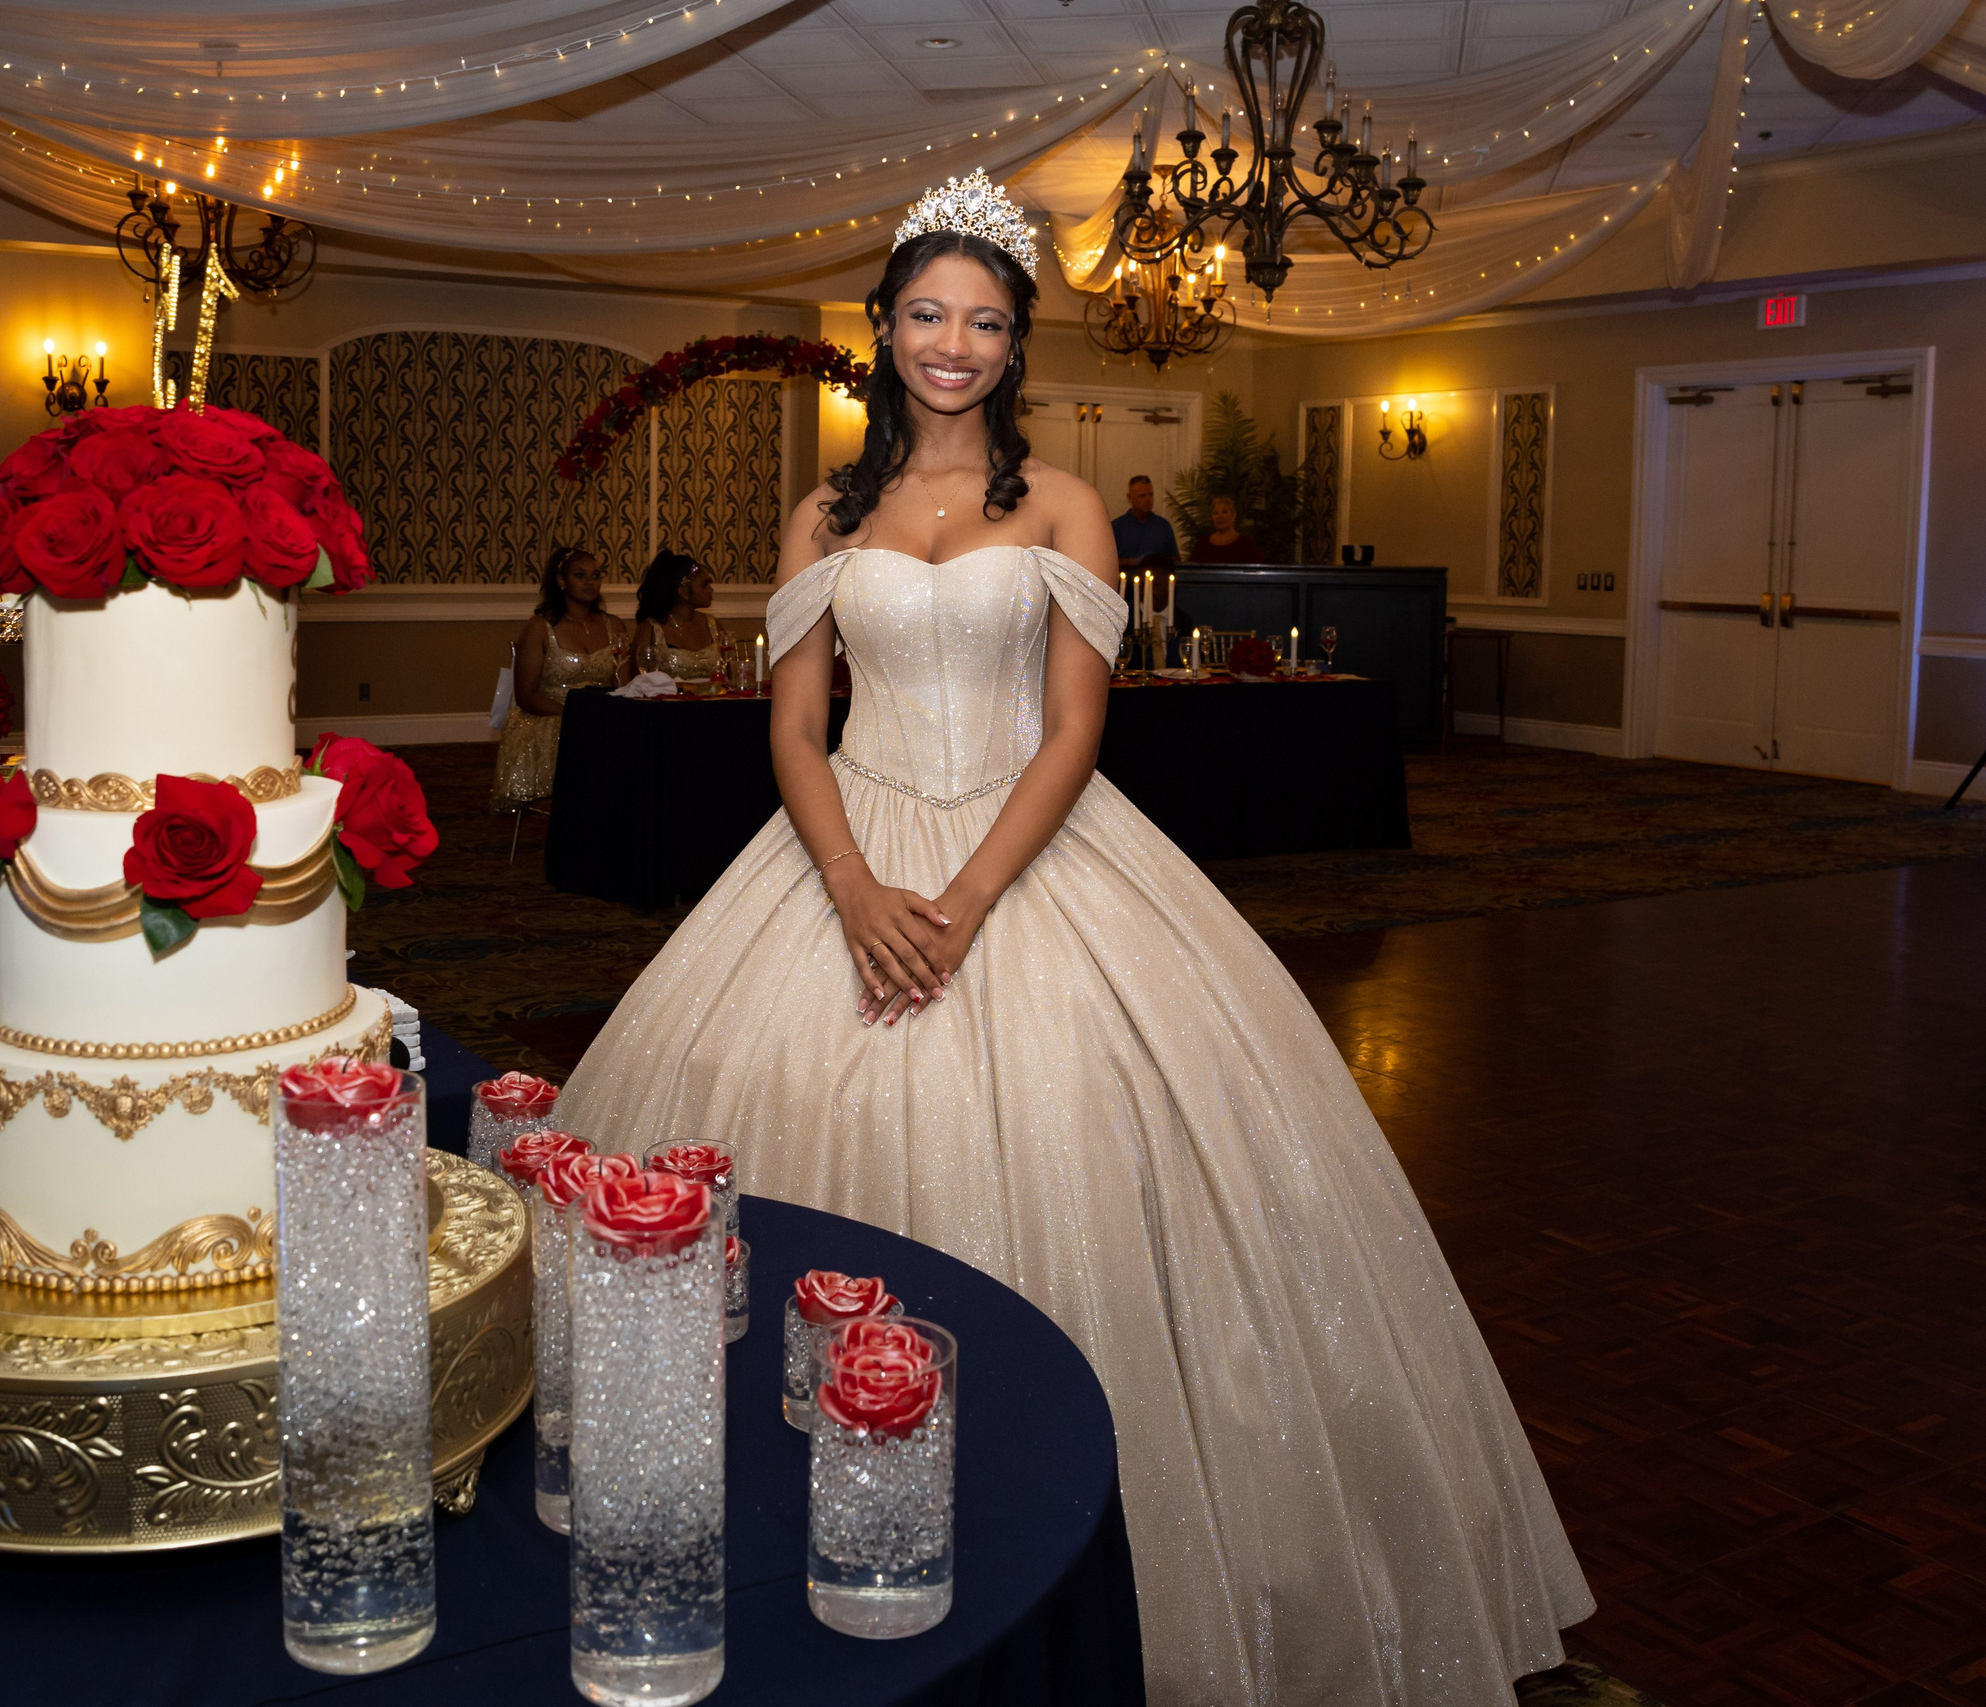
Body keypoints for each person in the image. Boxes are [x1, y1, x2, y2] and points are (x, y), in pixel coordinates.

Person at [552, 174, 1589, 1704]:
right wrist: (848, 884)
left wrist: (961, 901)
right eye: (926, 313)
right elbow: (790, 723)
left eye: (983, 319)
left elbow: (1075, 730)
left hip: (1026, 849)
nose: (952, 343)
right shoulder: (823, 513)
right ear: (885, 330)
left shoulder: (1062, 505)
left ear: (1014, 340)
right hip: (841, 849)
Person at [491, 545, 629, 809]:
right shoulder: (539, 627)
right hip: (552, 716)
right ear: (561, 581)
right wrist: (575, 714)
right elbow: (526, 695)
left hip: (602, 714)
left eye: (596, 575)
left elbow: (624, 686)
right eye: (580, 575)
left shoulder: (615, 625)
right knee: (584, 741)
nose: (591, 582)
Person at [630, 549, 739, 688]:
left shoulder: (713, 625)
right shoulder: (650, 630)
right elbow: (638, 684)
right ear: (682, 591)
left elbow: (729, 679)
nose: (711, 589)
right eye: (704, 584)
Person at [1110, 473, 1177, 568]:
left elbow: (1175, 560)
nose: (1148, 499)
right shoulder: (1117, 527)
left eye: (1150, 495)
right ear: (1130, 498)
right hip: (1127, 581)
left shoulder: (1163, 526)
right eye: (1142, 496)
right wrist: (1131, 562)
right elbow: (1107, 562)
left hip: (1157, 580)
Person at [1187, 491, 1263, 562]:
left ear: (1233, 515)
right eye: (1215, 513)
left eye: (1224, 512)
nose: (1219, 517)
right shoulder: (1202, 545)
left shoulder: (1247, 545)